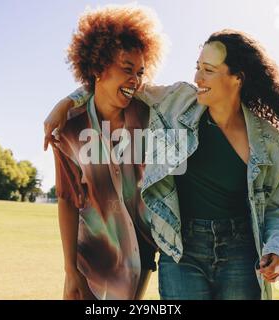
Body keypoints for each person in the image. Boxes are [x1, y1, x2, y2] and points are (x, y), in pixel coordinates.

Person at [45, 29, 279, 300]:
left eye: (208, 70)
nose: (197, 77)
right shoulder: (179, 101)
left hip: (241, 252)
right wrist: (67, 103)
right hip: (181, 249)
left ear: (237, 78)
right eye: (198, 66)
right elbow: (113, 83)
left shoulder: (270, 145)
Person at [48, 4, 165, 300]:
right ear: (98, 68)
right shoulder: (70, 130)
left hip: (140, 257)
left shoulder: (149, 117)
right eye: (127, 69)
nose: (135, 81)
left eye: (139, 72)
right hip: (91, 261)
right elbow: (67, 200)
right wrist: (70, 270)